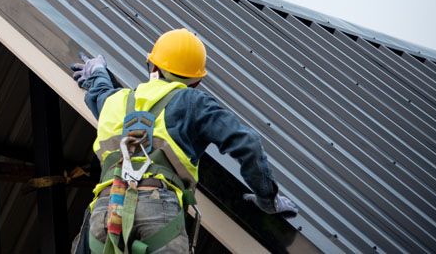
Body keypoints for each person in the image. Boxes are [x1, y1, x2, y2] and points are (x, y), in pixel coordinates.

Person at [70, 28, 298, 254]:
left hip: (106, 212)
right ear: (197, 82)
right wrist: (267, 197)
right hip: (158, 212)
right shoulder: (193, 102)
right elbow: (248, 143)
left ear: (153, 67)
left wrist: (98, 72)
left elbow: (99, 94)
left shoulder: (115, 101)